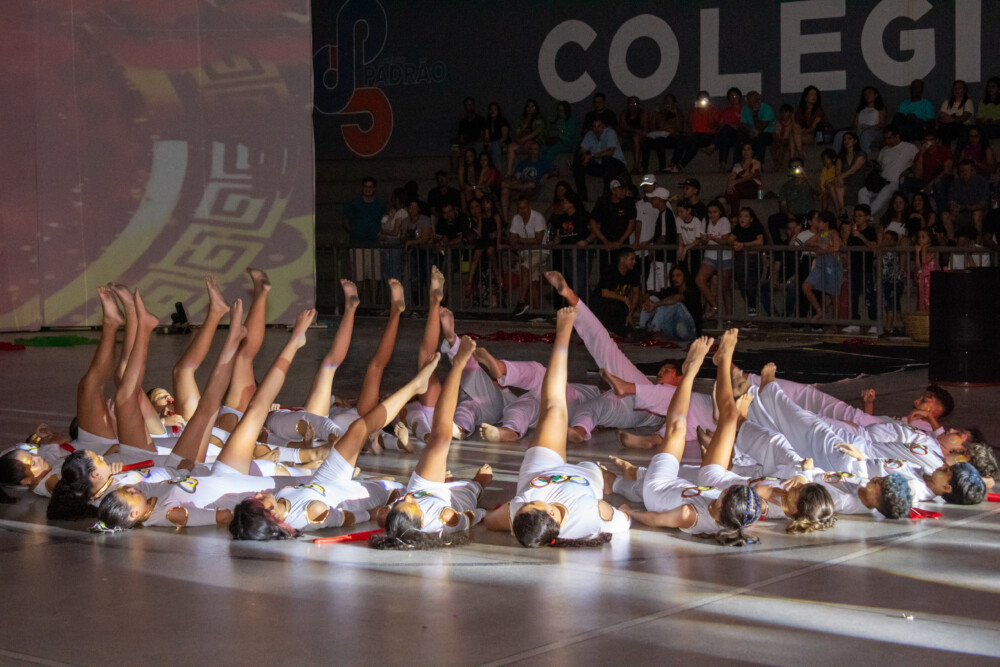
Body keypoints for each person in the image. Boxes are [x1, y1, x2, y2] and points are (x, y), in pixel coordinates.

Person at [483, 306, 630, 547]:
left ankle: (563, 333)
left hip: (541, 471)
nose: (525, 500)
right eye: (532, 502)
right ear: (552, 513)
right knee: (600, 474)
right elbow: (624, 518)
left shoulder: (522, 512)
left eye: (522, 504)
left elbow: (490, 521)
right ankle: (608, 476)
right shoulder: (589, 518)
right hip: (586, 476)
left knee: (553, 407)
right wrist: (624, 513)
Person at [615, 332, 764, 546]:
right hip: (694, 487)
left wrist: (628, 512)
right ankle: (723, 360)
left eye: (726, 493)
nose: (726, 488)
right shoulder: (739, 514)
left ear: (721, 506)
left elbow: (655, 519)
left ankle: (689, 373)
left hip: (659, 487)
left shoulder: (689, 515)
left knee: (677, 429)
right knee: (730, 416)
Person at [371, 337, 491, 550]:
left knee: (440, 439)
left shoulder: (395, 512)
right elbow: (472, 516)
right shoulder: (446, 518)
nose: (407, 499)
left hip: (424, 488)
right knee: (474, 487)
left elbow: (385, 513)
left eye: (400, 504)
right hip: (454, 498)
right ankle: (477, 483)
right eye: (410, 506)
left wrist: (385, 509)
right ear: (422, 523)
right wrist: (484, 507)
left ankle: (458, 364)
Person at [858, 125, 918, 217]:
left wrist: (908, 171)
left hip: (896, 182)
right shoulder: (884, 150)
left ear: (897, 136)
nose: (886, 141)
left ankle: (865, 216)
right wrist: (872, 165)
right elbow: (880, 166)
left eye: (889, 138)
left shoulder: (909, 147)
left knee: (884, 192)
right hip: (881, 181)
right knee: (863, 191)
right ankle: (866, 215)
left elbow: (918, 162)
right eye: (885, 138)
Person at [344, 176, 387, 300]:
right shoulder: (354, 203)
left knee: (375, 276)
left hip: (374, 245)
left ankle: (373, 303)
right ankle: (357, 305)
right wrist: (354, 231)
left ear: (374, 189)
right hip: (357, 245)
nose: (368, 189)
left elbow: (385, 220)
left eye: (370, 187)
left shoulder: (380, 205)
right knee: (358, 277)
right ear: (362, 188)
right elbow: (345, 220)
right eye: (365, 187)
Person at [801, 211, 842, 327]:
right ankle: (819, 310)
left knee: (833, 296)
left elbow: (836, 248)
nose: (817, 224)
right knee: (806, 286)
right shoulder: (820, 234)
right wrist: (818, 244)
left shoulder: (833, 233)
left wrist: (823, 251)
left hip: (832, 266)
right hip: (820, 266)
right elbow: (808, 242)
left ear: (826, 223)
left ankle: (834, 324)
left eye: (819, 221)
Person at [508, 198, 549, 316]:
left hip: (540, 252)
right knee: (534, 281)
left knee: (525, 267)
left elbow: (538, 240)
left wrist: (520, 240)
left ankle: (522, 301)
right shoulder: (516, 219)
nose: (522, 210)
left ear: (529, 206)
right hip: (526, 253)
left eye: (524, 207)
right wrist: (521, 241)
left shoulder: (538, 217)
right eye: (520, 208)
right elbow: (512, 239)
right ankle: (538, 312)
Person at [842, 204, 879, 334]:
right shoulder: (853, 231)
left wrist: (859, 236)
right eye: (855, 216)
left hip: (866, 269)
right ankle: (854, 322)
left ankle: (874, 322)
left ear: (867, 217)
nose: (857, 218)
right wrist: (848, 235)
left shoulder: (870, 231)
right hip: (854, 268)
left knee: (870, 296)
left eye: (860, 216)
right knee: (853, 296)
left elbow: (873, 245)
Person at [639, 264, 699, 341]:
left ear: (685, 276)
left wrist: (656, 305)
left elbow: (677, 298)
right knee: (653, 298)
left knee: (675, 305)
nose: (675, 278)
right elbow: (649, 294)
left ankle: (654, 330)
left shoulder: (692, 290)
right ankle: (643, 328)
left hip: (689, 331)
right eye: (673, 276)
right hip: (675, 330)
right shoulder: (672, 290)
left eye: (678, 275)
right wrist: (647, 300)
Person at [725, 207, 766, 318]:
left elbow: (760, 241)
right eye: (741, 216)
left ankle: (753, 312)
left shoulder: (756, 228)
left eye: (746, 216)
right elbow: (729, 240)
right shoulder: (738, 229)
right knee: (742, 285)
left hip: (753, 260)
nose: (742, 219)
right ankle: (751, 310)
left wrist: (744, 245)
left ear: (751, 219)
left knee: (750, 286)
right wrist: (734, 242)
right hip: (740, 260)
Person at [590, 246, 641, 337]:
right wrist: (624, 298)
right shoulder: (610, 270)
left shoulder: (634, 271)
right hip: (602, 304)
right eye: (631, 259)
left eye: (635, 259)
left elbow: (636, 293)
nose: (634, 262)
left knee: (628, 332)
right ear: (622, 260)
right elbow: (604, 292)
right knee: (609, 307)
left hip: (619, 305)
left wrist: (630, 313)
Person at [695, 200, 733, 318]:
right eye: (710, 212)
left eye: (715, 212)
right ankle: (714, 305)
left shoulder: (724, 221)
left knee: (725, 289)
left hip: (725, 257)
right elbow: (703, 239)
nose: (712, 215)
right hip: (710, 255)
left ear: (720, 212)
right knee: (700, 280)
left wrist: (711, 238)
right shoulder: (705, 221)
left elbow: (725, 240)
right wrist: (705, 240)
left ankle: (729, 318)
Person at [573, 118, 626, 201]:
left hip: (616, 165)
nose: (596, 129)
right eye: (594, 127)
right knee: (578, 164)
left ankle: (607, 194)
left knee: (606, 159)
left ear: (603, 126)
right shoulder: (589, 135)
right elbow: (582, 150)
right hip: (601, 166)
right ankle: (582, 195)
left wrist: (591, 156)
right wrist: (584, 157)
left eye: (599, 126)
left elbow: (610, 152)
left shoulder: (610, 133)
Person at [501, 140, 553, 220]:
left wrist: (547, 175)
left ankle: (508, 186)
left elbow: (555, 171)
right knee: (504, 190)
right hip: (520, 187)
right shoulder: (523, 163)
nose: (533, 151)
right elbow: (517, 177)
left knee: (530, 185)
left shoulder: (543, 163)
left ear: (539, 151)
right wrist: (514, 182)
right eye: (531, 149)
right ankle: (505, 220)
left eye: (535, 149)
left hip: (532, 189)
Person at [464, 198, 503, 302]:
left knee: (491, 252)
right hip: (484, 238)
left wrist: (498, 242)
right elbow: (480, 231)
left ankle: (497, 275)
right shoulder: (481, 216)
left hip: (492, 239)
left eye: (487, 203)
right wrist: (477, 235)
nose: (485, 205)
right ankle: (469, 282)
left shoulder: (496, 215)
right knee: (476, 256)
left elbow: (499, 229)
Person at [944, 159, 990, 240]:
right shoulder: (956, 183)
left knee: (977, 214)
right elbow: (951, 201)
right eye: (961, 171)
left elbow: (983, 204)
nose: (963, 173)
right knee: (945, 215)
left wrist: (966, 207)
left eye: (965, 171)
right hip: (961, 213)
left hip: (979, 213)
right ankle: (952, 242)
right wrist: (953, 208)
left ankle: (978, 242)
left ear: (973, 171)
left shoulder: (981, 182)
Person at [673, 91, 720, 170]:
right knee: (682, 140)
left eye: (704, 98)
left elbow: (712, 125)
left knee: (695, 142)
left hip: (708, 135)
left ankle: (681, 165)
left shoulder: (713, 110)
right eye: (700, 98)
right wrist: (692, 109)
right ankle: (673, 163)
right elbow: (689, 124)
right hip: (695, 135)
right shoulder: (694, 109)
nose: (702, 100)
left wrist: (708, 110)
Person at [834, 87, 886, 157]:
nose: (867, 96)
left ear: (876, 95)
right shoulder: (861, 109)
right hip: (859, 129)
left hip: (873, 130)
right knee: (839, 135)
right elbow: (855, 123)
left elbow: (882, 124)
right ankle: (836, 157)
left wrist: (867, 128)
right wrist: (856, 129)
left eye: (870, 93)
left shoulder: (880, 108)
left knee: (865, 135)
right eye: (865, 94)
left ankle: (865, 158)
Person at [644, 93, 684, 172]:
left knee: (661, 141)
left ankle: (664, 166)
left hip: (672, 137)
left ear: (674, 103)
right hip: (660, 136)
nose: (667, 103)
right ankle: (644, 167)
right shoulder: (661, 113)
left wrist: (676, 114)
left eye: (670, 101)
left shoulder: (678, 113)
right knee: (647, 141)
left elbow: (680, 128)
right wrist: (655, 113)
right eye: (666, 101)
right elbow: (652, 128)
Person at [506, 99, 547, 177]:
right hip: (521, 141)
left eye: (532, 106)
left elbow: (536, 132)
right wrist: (523, 128)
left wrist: (524, 139)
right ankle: (509, 173)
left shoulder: (539, 119)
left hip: (534, 141)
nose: (530, 108)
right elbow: (516, 132)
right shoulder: (521, 119)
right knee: (511, 146)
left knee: (531, 146)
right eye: (528, 106)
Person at [725, 141, 763, 215]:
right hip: (739, 189)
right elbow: (732, 177)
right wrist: (729, 186)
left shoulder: (756, 163)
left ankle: (733, 214)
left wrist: (736, 182)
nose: (746, 152)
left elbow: (751, 176)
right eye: (744, 149)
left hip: (753, 189)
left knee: (736, 187)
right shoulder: (737, 165)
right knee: (733, 191)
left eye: (748, 149)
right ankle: (734, 214)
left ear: (752, 152)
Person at [379, 188, 408, 283]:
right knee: (389, 272)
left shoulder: (401, 212)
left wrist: (384, 231)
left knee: (392, 272)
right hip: (391, 243)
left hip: (393, 243)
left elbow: (395, 232)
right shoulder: (398, 212)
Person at [790, 85, 827, 161]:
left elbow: (813, 128)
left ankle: (796, 156)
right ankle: (795, 156)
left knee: (794, 134)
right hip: (801, 134)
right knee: (792, 134)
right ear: (805, 97)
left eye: (815, 95)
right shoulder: (800, 110)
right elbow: (796, 125)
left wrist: (801, 131)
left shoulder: (819, 110)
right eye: (811, 95)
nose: (814, 97)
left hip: (814, 135)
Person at [880, 229, 905, 335]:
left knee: (890, 303)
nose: (886, 241)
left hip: (895, 281)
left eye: (889, 239)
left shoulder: (895, 250)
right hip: (887, 281)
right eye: (884, 239)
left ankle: (889, 325)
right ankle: (901, 326)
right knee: (895, 304)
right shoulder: (882, 250)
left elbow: (902, 248)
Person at [778, 157, 818, 223]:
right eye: (794, 167)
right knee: (774, 219)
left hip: (807, 214)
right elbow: (783, 205)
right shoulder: (786, 186)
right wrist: (788, 214)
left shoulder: (809, 183)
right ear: (790, 170)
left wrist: (806, 177)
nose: (796, 169)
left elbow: (818, 191)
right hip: (792, 214)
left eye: (798, 167)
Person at [450, 96, 485, 173]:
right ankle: (455, 173)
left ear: (474, 106)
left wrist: (470, 145)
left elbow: (482, 136)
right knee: (454, 152)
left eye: (471, 104)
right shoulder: (463, 122)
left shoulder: (480, 119)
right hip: (466, 145)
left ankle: (478, 170)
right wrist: (462, 146)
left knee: (478, 145)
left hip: (477, 144)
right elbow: (461, 138)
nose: (469, 107)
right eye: (467, 105)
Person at [834, 131, 867, 212]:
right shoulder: (841, 156)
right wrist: (839, 177)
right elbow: (838, 170)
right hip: (845, 181)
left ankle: (842, 210)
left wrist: (839, 177)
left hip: (857, 181)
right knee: (832, 187)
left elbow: (853, 169)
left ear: (855, 141)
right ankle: (840, 210)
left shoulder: (861, 154)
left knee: (838, 187)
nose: (846, 141)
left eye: (849, 139)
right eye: (844, 139)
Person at [739, 90, 775, 164]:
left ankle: (759, 164)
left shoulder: (766, 109)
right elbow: (743, 126)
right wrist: (751, 132)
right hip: (752, 133)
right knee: (740, 137)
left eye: (755, 101)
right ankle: (737, 164)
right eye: (750, 102)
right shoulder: (745, 109)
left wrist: (755, 114)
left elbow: (761, 128)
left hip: (768, 133)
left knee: (761, 137)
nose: (752, 104)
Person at [938, 79, 975, 148]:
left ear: (964, 90)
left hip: (963, 127)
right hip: (947, 126)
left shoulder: (968, 102)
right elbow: (942, 116)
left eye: (959, 88)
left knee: (949, 127)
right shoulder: (946, 102)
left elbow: (964, 117)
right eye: (955, 88)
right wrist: (954, 119)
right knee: (944, 127)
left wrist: (951, 119)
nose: (956, 90)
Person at [618, 96, 649, 173]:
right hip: (626, 137)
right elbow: (622, 127)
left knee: (636, 138)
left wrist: (631, 130)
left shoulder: (643, 114)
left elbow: (644, 132)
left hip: (640, 138)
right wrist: (634, 131)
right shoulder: (624, 114)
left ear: (638, 104)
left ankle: (636, 166)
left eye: (635, 103)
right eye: (630, 103)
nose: (632, 105)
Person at [915, 227, 938, 312]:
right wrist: (917, 253)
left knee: (928, 299)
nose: (920, 240)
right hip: (923, 278)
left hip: (930, 277)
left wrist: (923, 250)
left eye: (923, 237)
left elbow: (924, 261)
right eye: (919, 237)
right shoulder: (923, 249)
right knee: (923, 299)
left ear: (930, 239)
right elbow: (919, 266)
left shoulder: (930, 248)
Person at [482, 102, 510, 169]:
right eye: (491, 109)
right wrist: (488, 142)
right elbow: (487, 136)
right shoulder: (487, 122)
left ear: (498, 111)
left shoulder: (503, 121)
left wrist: (493, 143)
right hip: (492, 142)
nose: (493, 111)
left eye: (495, 109)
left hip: (502, 143)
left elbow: (504, 137)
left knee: (495, 145)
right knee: (479, 145)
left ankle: (498, 171)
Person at [771, 104, 795, 172]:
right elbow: (776, 133)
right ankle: (776, 164)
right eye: (783, 112)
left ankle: (779, 165)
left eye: (786, 112)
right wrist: (778, 138)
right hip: (779, 139)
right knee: (772, 149)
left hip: (787, 140)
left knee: (782, 149)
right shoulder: (778, 123)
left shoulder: (792, 123)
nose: (784, 114)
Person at [818, 148, 841, 216]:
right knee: (824, 196)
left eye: (827, 158)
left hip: (834, 188)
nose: (825, 160)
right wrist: (823, 191)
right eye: (824, 159)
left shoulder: (835, 168)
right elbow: (822, 182)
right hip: (826, 189)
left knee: (828, 190)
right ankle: (822, 213)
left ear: (833, 159)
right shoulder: (824, 169)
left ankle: (838, 210)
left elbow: (835, 179)